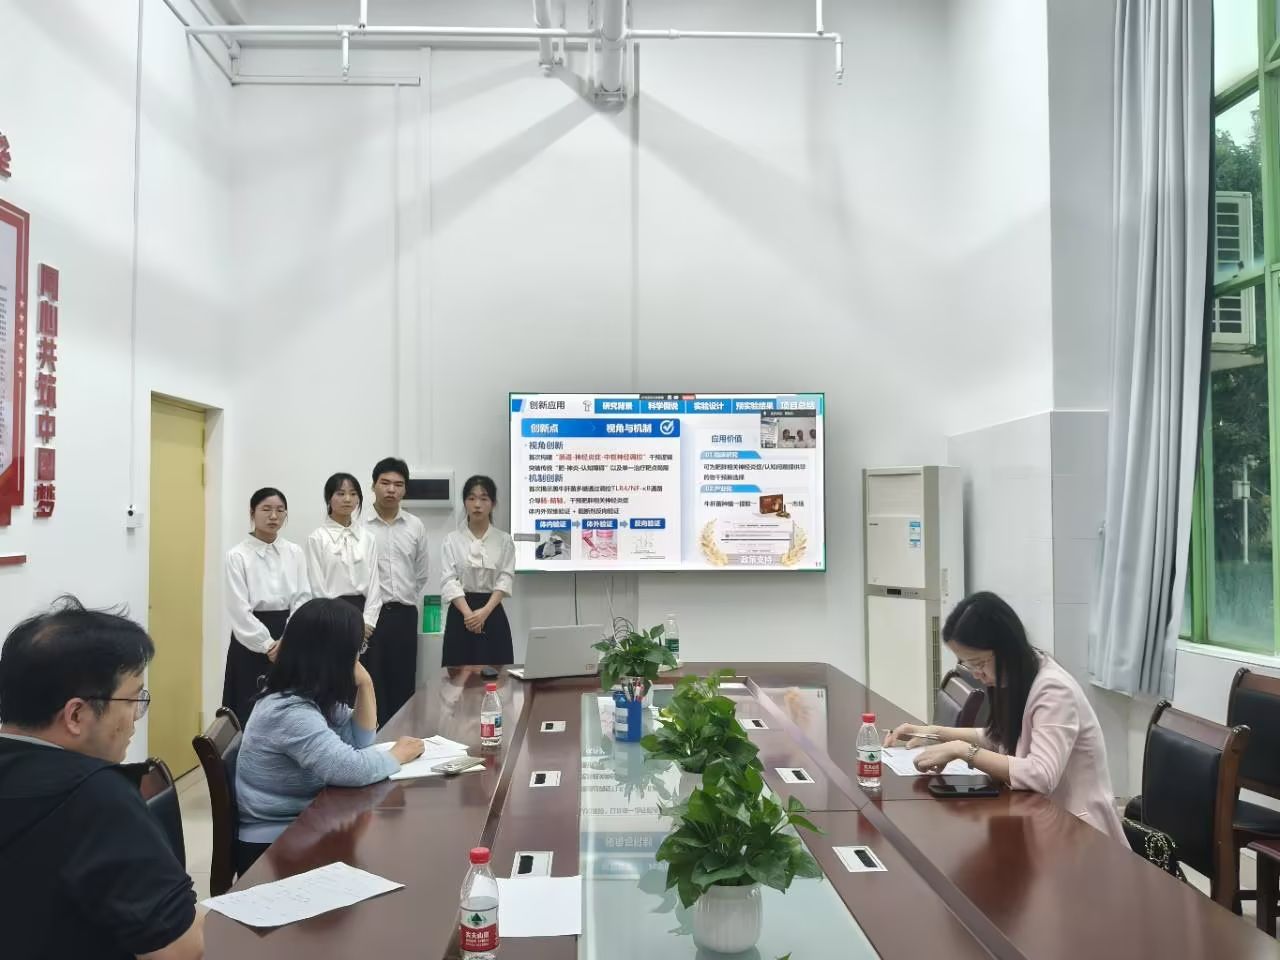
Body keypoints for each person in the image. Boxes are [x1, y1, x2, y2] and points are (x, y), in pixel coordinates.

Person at [0, 597, 203, 960]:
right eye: (133, 700)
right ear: (76, 715)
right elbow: (177, 949)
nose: (136, 717)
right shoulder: (97, 796)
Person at [884, 591, 1125, 843]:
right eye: (968, 664)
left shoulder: (1053, 689)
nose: (976, 674)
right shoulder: (1016, 677)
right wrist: (934, 733)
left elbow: (1041, 775)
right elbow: (999, 738)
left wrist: (962, 750)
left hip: (1079, 833)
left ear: (1005, 648)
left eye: (979, 663)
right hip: (1037, 820)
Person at [234, 598, 425, 873]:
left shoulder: (308, 692)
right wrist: (396, 756)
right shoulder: (290, 711)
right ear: (333, 655)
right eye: (357, 650)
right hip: (274, 842)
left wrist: (366, 683)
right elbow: (350, 769)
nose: (359, 657)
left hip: (304, 822)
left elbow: (360, 741)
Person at [222, 486, 311, 725]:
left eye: (280, 510)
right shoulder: (237, 555)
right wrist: (268, 644)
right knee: (247, 707)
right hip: (250, 639)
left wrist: (287, 639)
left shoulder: (295, 552)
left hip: (288, 634)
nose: (273, 516)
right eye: (266, 509)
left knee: (289, 706)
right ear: (252, 512)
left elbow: (302, 597)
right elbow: (238, 609)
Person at [363, 458, 430, 727]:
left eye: (398, 484)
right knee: (371, 683)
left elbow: (421, 573)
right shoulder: (359, 525)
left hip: (404, 615)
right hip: (370, 618)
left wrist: (404, 596)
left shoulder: (415, 526)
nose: (391, 489)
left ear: (405, 489)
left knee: (403, 681)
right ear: (373, 486)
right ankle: (373, 740)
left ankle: (402, 737)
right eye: (385, 483)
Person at [440, 475, 516, 673]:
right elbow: (449, 579)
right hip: (460, 614)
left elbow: (505, 578)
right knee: (458, 678)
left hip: (492, 612)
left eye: (484, 498)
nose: (477, 504)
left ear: (493, 503)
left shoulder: (504, 540)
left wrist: (484, 612)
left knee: (497, 677)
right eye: (471, 498)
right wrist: (468, 615)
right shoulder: (452, 540)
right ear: (465, 502)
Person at [306, 472, 382, 641]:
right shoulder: (317, 538)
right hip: (330, 619)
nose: (347, 499)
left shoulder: (368, 538)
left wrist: (367, 622)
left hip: (364, 617)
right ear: (329, 498)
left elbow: (374, 586)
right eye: (340, 494)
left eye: (353, 494)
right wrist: (333, 621)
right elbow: (316, 586)